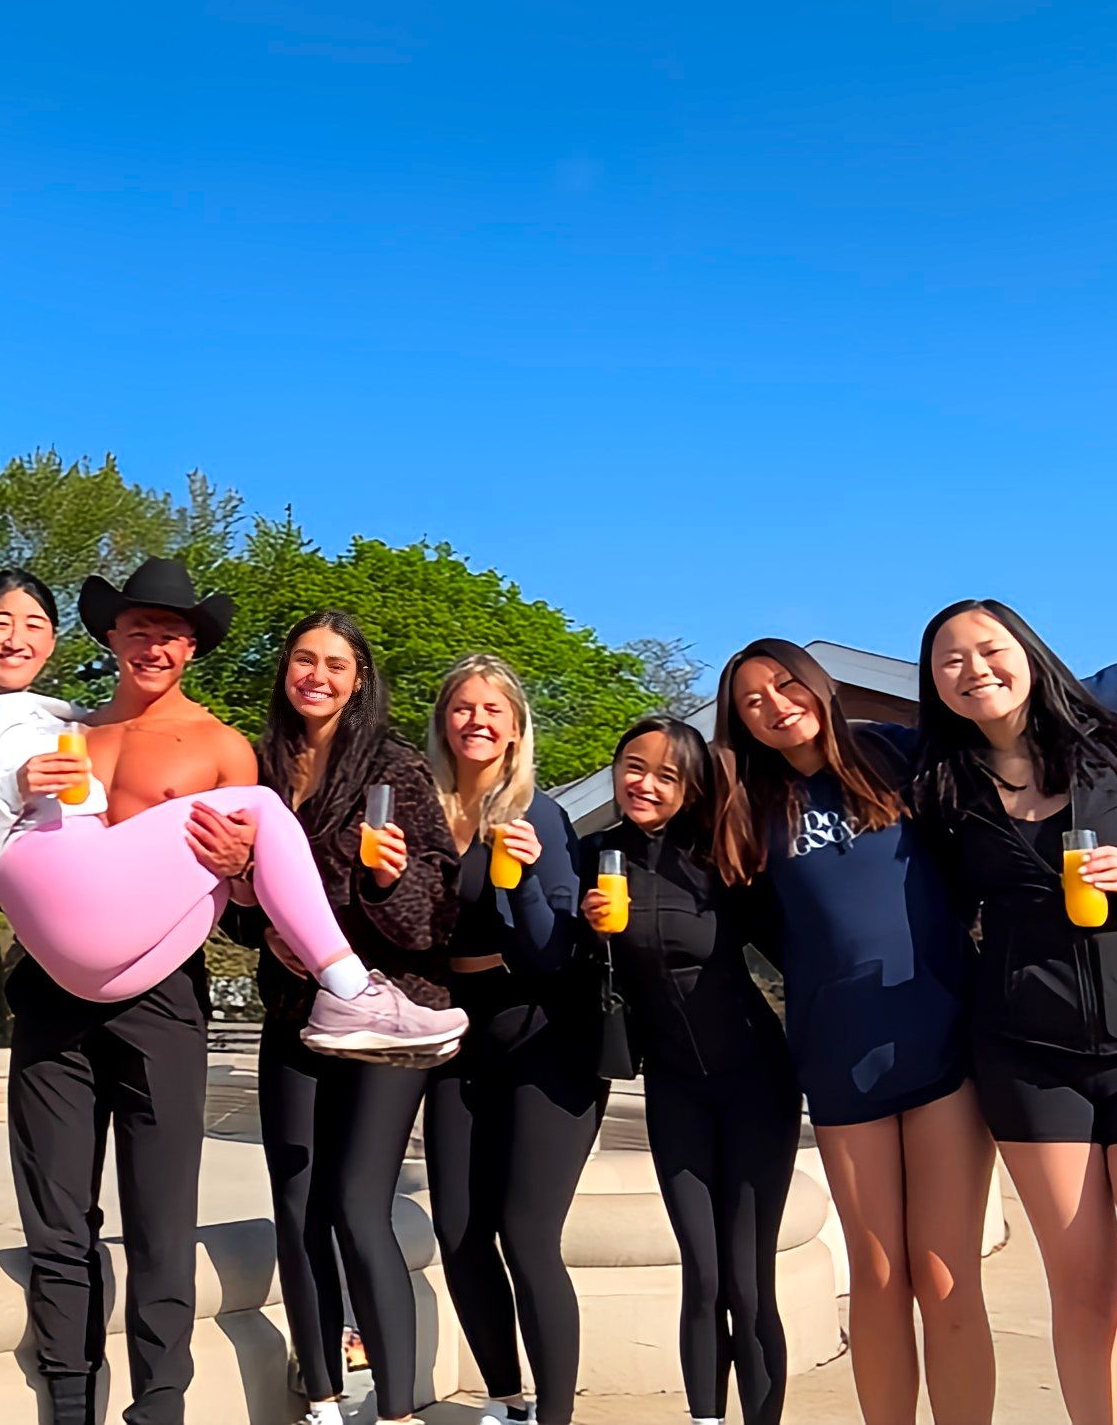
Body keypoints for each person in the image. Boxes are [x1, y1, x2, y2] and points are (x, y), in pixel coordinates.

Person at [0, 563, 462, 1425]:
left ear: (191, 646)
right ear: (111, 639)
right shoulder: (63, 733)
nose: (153, 644)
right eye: (137, 629)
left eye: (170, 632)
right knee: (58, 1213)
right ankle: (69, 1401)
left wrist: (242, 879)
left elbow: (240, 909)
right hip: (52, 992)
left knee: (164, 1218)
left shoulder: (223, 747)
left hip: (162, 993)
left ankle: (159, 1403)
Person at [710, 602, 1117, 1425]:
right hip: (844, 1056)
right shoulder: (742, 807)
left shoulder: (907, 761)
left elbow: (1028, 712)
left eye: (785, 684)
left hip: (949, 1042)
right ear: (736, 721)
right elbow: (748, 922)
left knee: (947, 1272)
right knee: (881, 1278)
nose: (775, 704)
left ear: (820, 686)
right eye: (750, 700)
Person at [914, 600, 1117, 1425]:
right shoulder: (941, 787)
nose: (974, 669)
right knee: (1088, 1301)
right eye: (949, 660)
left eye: (989, 649)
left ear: (1028, 654)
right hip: (1028, 1058)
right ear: (933, 684)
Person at [227, 610, 462, 1425]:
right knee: (295, 1204)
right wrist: (260, 923)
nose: (315, 676)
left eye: (335, 663)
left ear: (359, 678)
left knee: (359, 1207)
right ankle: (324, 1399)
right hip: (294, 1012)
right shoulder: (257, 770)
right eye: (302, 659)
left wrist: (388, 880)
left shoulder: (393, 770)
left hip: (389, 1019)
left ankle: (395, 1410)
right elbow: (235, 908)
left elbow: (437, 920)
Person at [579, 718, 800, 1425]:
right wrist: (583, 932)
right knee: (702, 1276)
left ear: (691, 789)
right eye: (633, 767)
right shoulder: (594, 858)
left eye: (667, 775)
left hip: (757, 1083)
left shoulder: (722, 860)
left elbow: (803, 946)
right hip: (673, 1088)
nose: (645, 784)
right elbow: (550, 958)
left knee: (747, 1278)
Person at [421, 655, 593, 1425]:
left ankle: (554, 1416)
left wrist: (521, 880)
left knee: (525, 1233)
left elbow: (553, 953)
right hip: (451, 1029)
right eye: (462, 708)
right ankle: (507, 1401)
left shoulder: (537, 816)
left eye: (494, 709)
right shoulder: (418, 812)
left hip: (540, 1030)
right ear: (443, 722)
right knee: (458, 1229)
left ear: (517, 727)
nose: (477, 721)